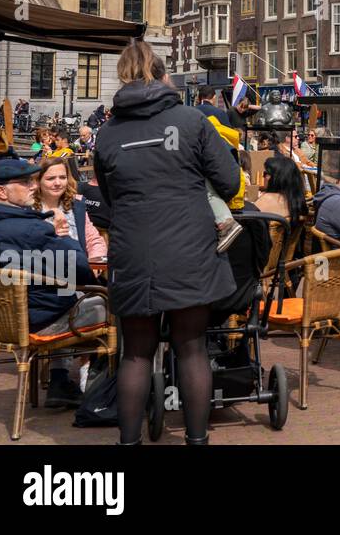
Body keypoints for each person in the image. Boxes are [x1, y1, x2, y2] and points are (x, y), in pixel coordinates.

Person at [93, 40, 241, 445]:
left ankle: (129, 443)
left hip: (133, 251)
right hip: (189, 248)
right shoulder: (191, 120)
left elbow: (109, 196)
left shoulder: (107, 134)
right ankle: (196, 441)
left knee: (136, 353)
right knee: (191, 349)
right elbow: (230, 182)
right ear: (162, 75)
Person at [0, 159, 102, 408]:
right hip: (40, 321)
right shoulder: (34, 230)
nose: (32, 186)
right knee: (107, 303)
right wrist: (58, 234)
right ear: (2, 192)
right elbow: (81, 271)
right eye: (25, 182)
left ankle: (61, 380)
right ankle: (97, 389)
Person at [35, 157, 107, 261]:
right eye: (50, 178)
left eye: (62, 177)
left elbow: (93, 240)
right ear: (38, 181)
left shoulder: (76, 205)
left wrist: (95, 261)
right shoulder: (28, 208)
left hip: (77, 270)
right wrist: (50, 232)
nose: (58, 183)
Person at [254, 154, 308, 226]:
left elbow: (250, 219)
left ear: (275, 178)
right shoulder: (298, 199)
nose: (264, 177)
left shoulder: (268, 199)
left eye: (265, 173)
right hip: (291, 236)